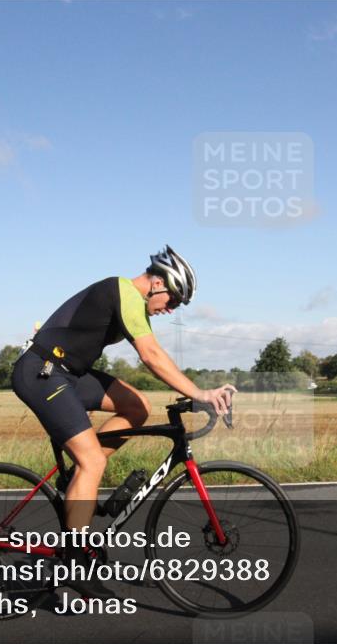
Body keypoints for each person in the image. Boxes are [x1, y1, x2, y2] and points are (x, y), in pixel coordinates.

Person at [12, 245, 235, 599]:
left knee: (137, 406)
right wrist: (200, 393)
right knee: (93, 460)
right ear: (157, 282)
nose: (171, 309)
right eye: (173, 299)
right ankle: (73, 560)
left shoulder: (133, 303)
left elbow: (153, 353)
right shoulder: (122, 290)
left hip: (67, 374)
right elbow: (151, 355)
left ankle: (81, 481)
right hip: (41, 372)